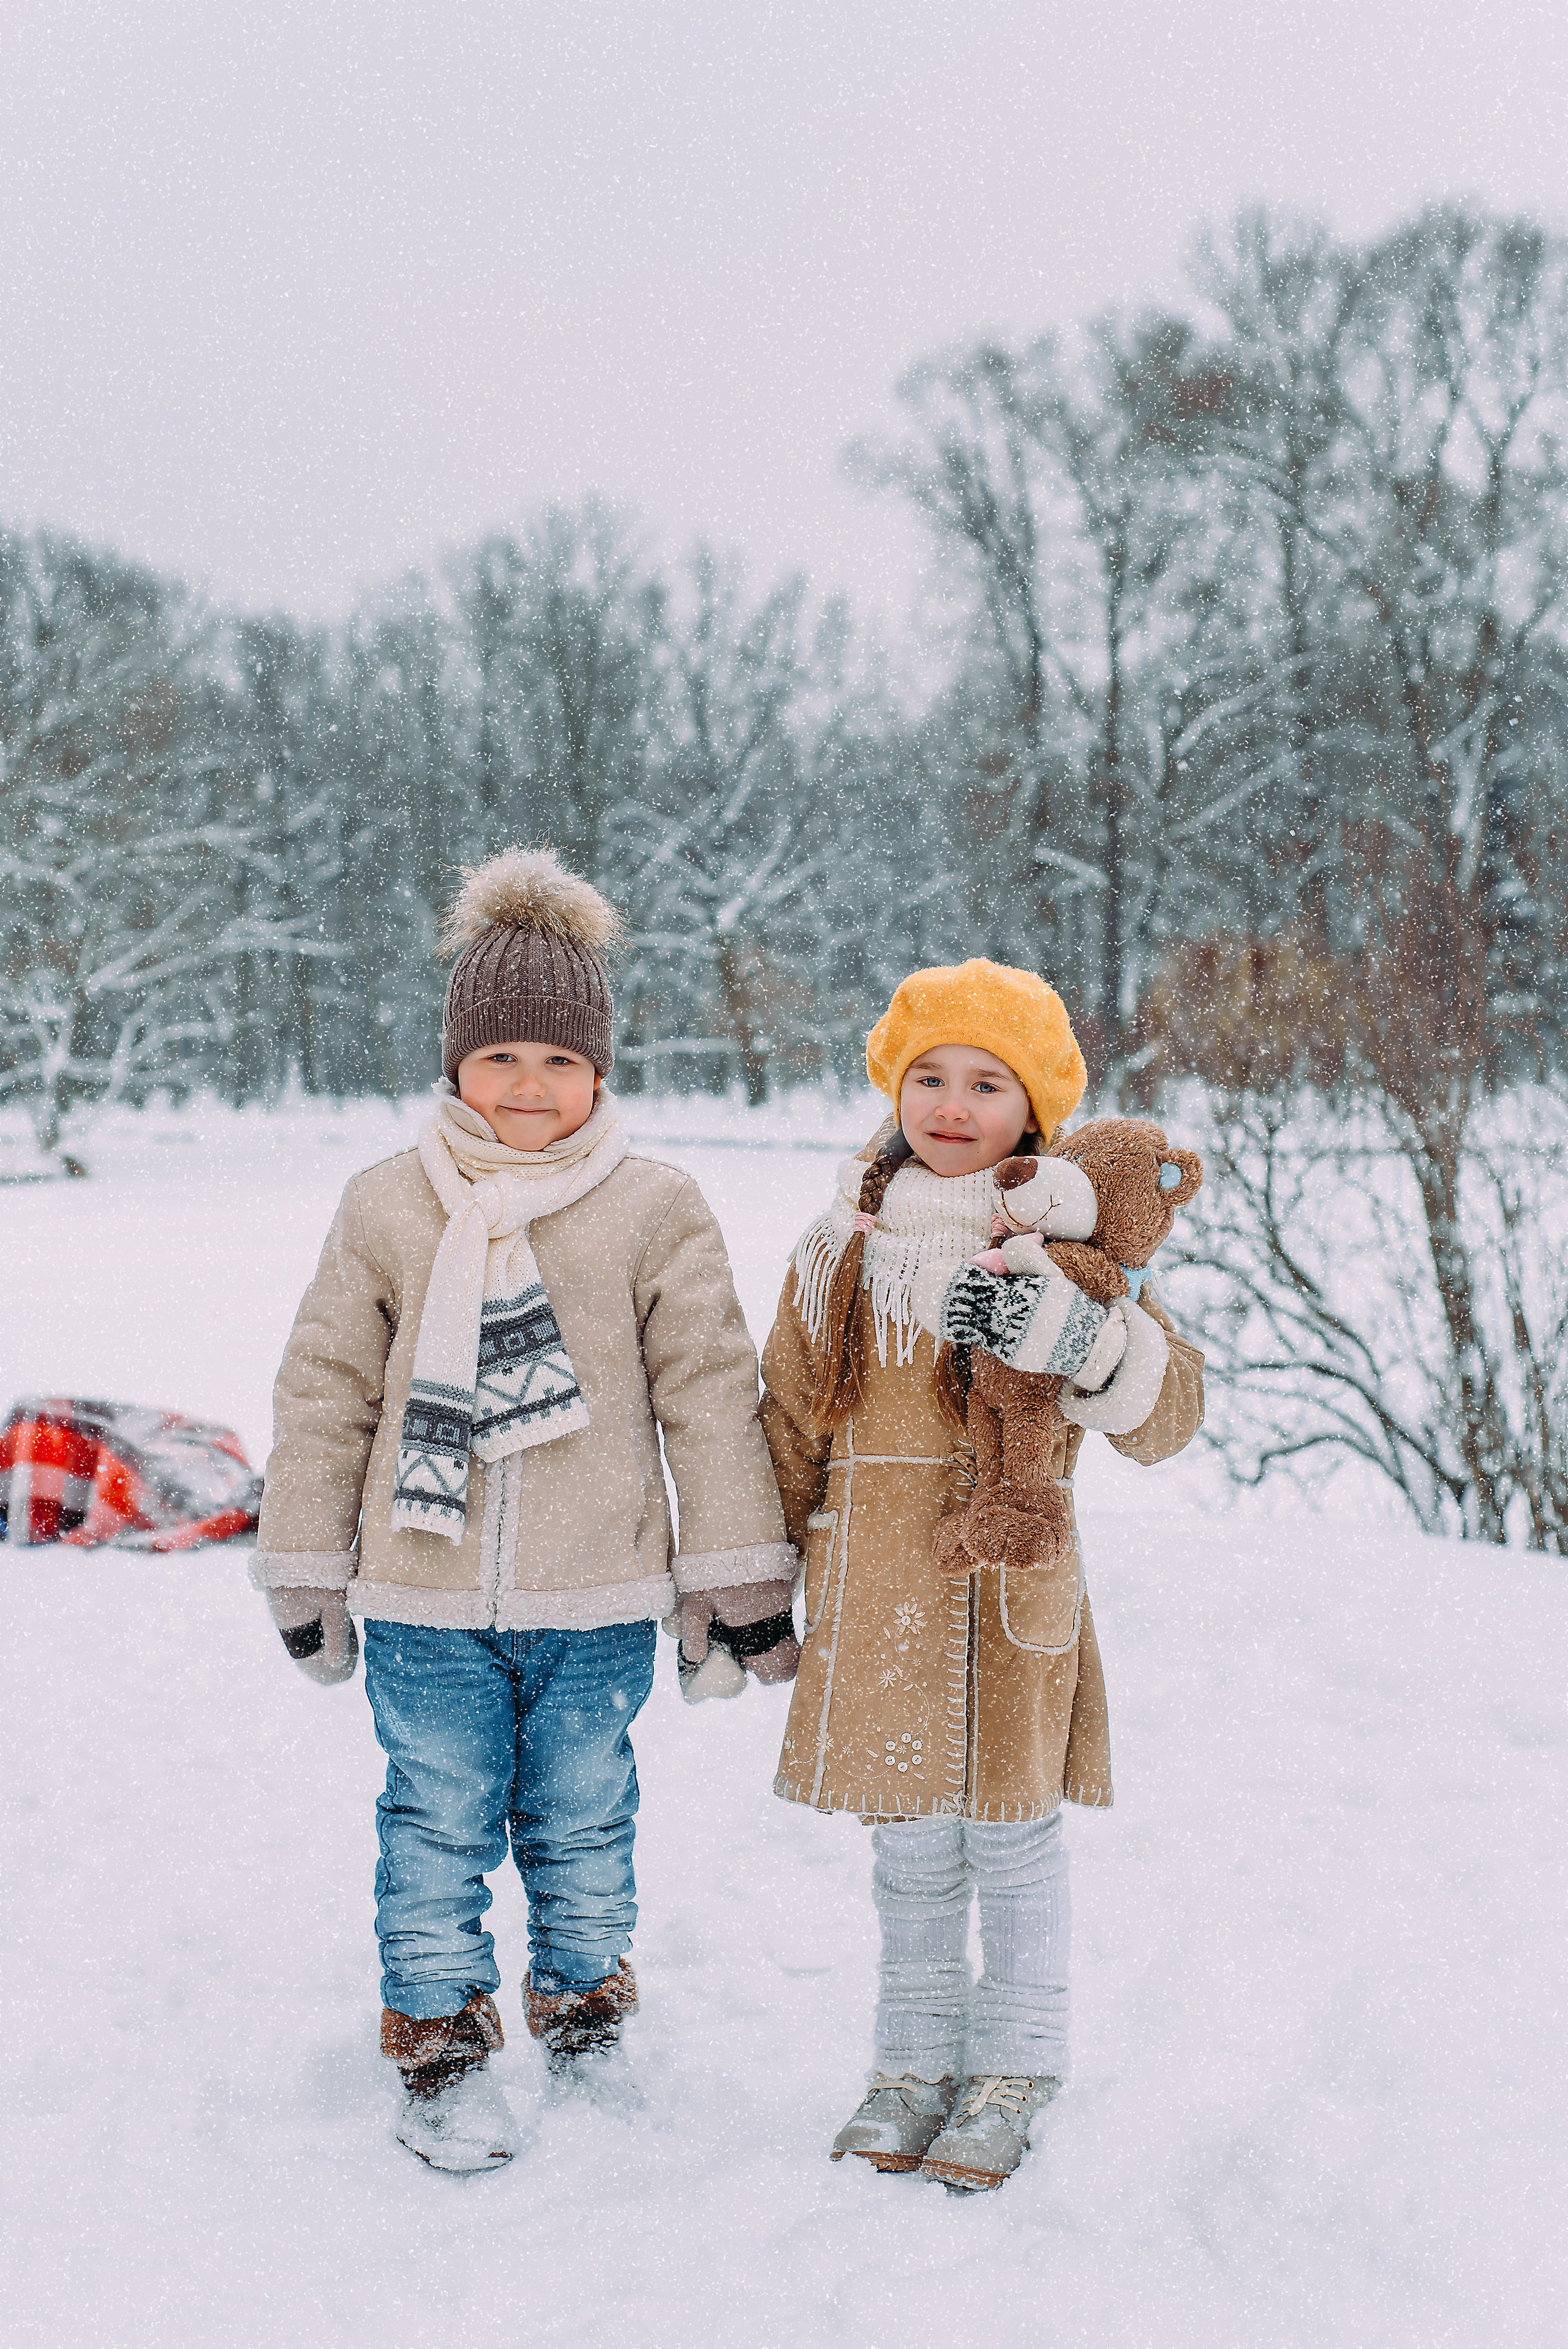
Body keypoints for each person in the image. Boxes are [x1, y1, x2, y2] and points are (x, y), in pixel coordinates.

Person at [251, 847, 797, 2173]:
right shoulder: (388, 1203)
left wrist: (738, 1579)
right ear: (455, 1069)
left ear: (599, 1072)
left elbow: (711, 1395)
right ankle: (438, 2052)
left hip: (598, 1596)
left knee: (581, 1820)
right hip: (424, 1593)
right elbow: (326, 1391)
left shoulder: (651, 1207)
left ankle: (586, 2022)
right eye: (498, 1060)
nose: (528, 1089)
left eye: (557, 1063)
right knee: (434, 1822)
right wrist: (307, 1571)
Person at [758, 959, 1204, 2192]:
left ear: (1034, 1113)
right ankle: (908, 2067)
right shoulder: (834, 1256)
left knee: (1011, 1842)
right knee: (906, 1852)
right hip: (877, 1592)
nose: (951, 1106)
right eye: (929, 1078)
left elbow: (1168, 1421)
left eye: (986, 1083)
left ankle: (1012, 2069)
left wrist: (1090, 1347)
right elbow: (787, 1425)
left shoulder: (1075, 1262)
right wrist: (743, 1587)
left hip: (1014, 1600)